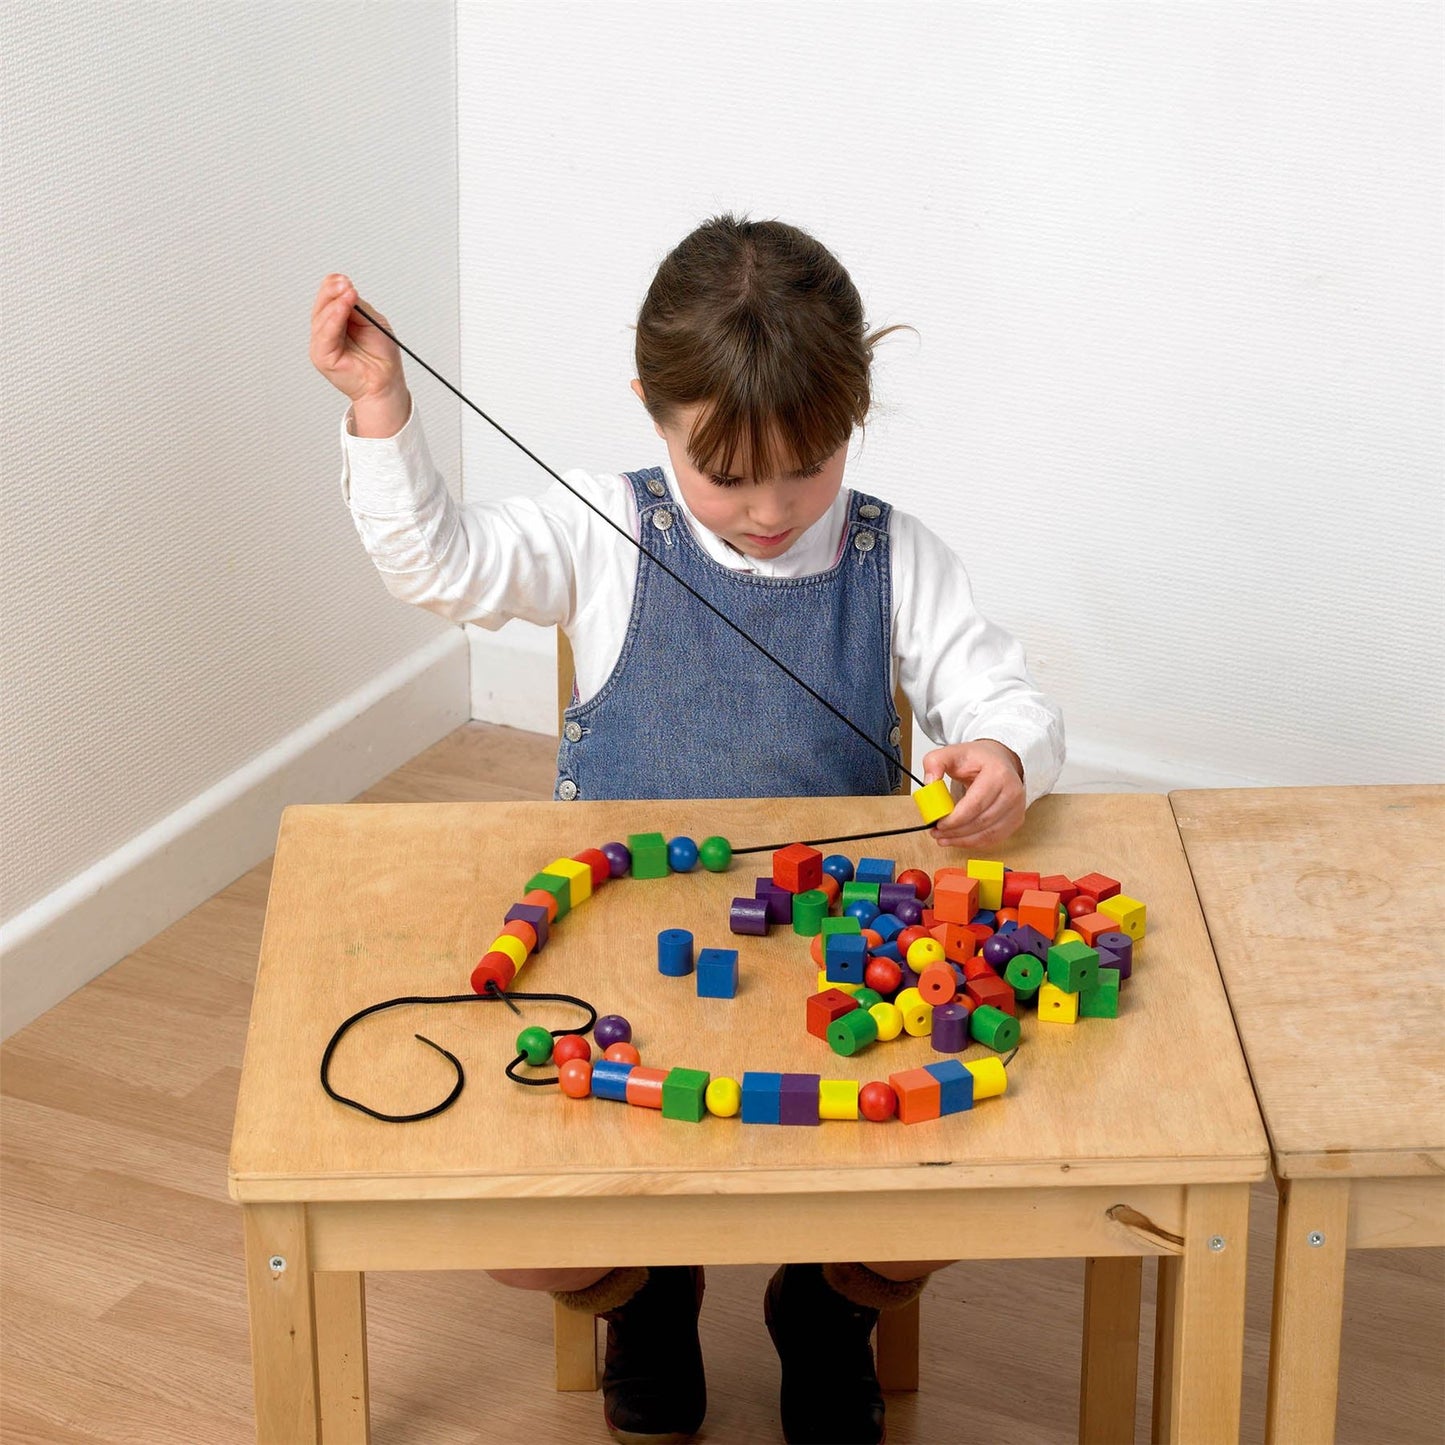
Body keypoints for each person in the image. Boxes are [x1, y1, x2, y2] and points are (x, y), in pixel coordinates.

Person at [310, 214, 1065, 1445]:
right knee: (496, 1227)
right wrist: (384, 403)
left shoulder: (896, 558)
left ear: (853, 417)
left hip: (837, 966)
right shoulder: (599, 533)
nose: (767, 508)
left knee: (966, 1183)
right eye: (723, 471)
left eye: (805, 465)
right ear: (652, 414)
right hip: (620, 973)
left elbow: (998, 693)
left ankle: (827, 1312)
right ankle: (644, 1303)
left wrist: (1002, 754)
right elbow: (440, 565)